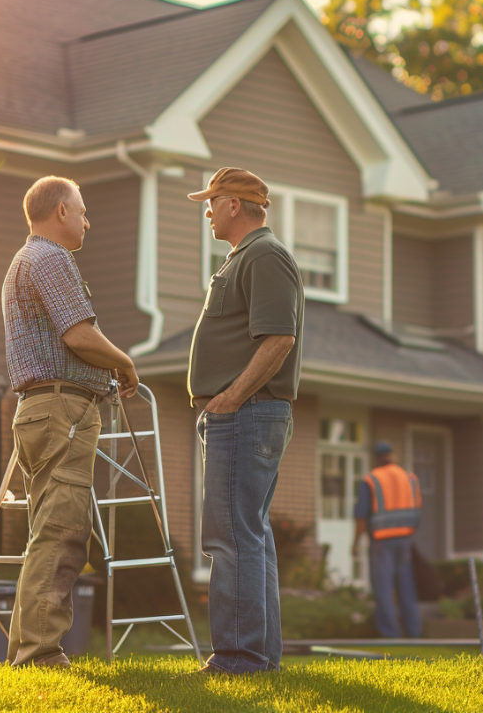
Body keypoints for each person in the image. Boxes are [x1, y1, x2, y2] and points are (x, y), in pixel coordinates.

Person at [1, 175, 139, 668]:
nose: (87, 219)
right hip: (62, 409)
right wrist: (123, 362)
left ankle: (25, 649)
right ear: (60, 211)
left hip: (39, 410)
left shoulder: (24, 261)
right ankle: (39, 653)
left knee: (47, 529)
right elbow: (79, 335)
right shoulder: (51, 258)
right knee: (62, 530)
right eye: (81, 210)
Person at [187, 168, 304, 674]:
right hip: (245, 413)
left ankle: (239, 658)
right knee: (247, 535)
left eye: (212, 201)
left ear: (235, 204)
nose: (207, 210)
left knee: (230, 535)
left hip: (248, 413)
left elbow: (279, 338)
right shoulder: (247, 257)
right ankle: (259, 658)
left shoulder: (264, 255)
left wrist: (232, 397)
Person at [352, 440, 423, 638]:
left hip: (382, 541)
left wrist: (355, 543)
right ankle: (414, 631)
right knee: (406, 586)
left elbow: (361, 516)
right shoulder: (409, 478)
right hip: (406, 539)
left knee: (383, 587)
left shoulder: (371, 479)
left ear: (376, 457)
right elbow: (417, 509)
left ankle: (390, 634)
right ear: (393, 455)